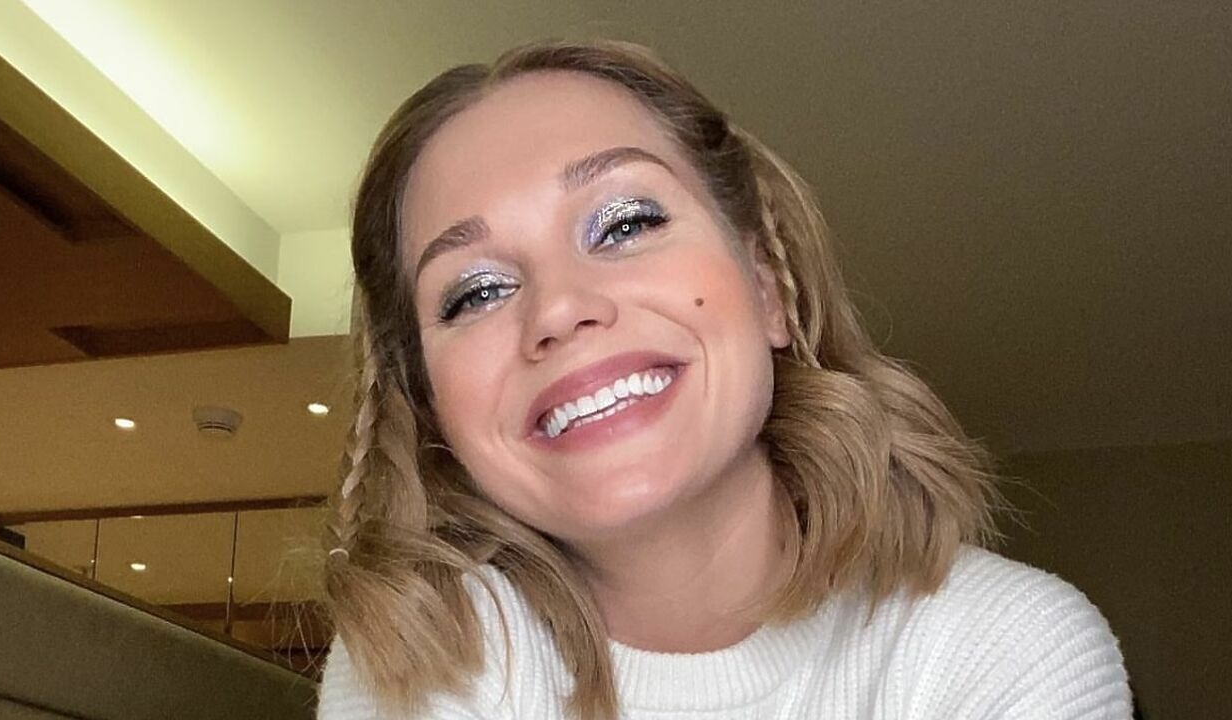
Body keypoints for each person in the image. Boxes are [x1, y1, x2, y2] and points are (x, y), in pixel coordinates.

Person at [316, 39, 1131, 719]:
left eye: (625, 223)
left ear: (768, 286)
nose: (558, 309)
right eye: (475, 292)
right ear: (429, 404)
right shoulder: (426, 655)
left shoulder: (1008, 650)